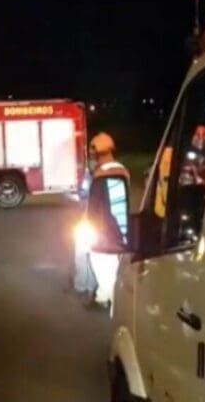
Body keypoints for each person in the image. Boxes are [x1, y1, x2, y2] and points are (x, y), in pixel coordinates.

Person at [74, 132, 131, 307]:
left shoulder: (100, 176)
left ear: (96, 153)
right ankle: (102, 296)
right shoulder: (123, 170)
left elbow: (93, 206)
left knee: (100, 264)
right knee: (111, 264)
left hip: (102, 229)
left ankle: (106, 298)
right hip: (121, 227)